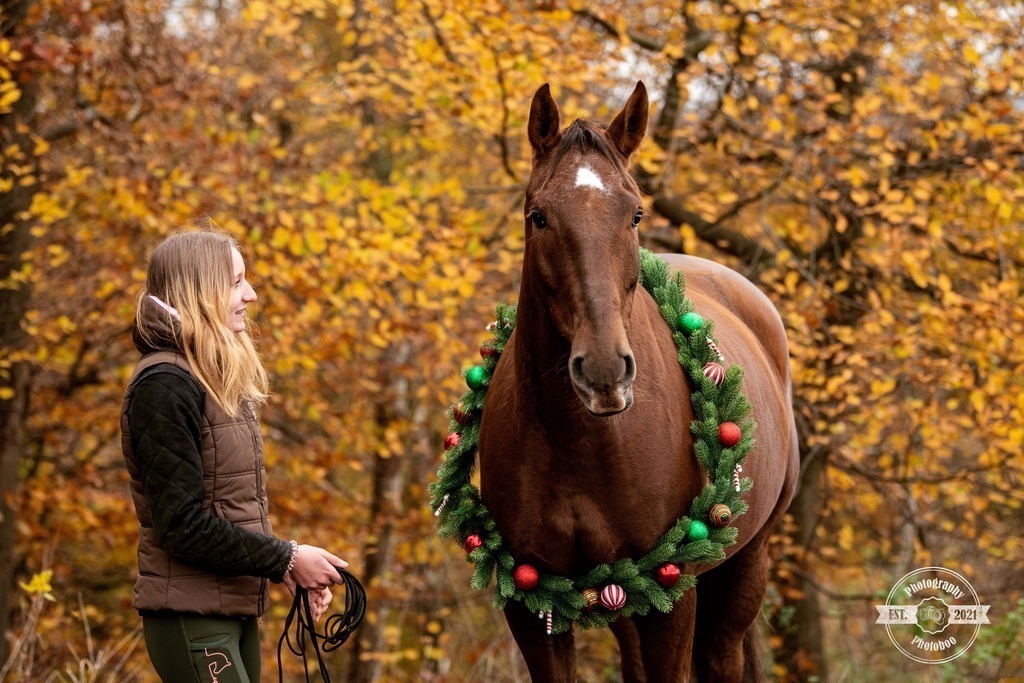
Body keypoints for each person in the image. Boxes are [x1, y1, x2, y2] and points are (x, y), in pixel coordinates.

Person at [120, 226, 346, 682]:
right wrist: (286, 557)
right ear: (199, 289)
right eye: (236, 281)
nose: (251, 293)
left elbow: (227, 507)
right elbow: (181, 526)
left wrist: (282, 567)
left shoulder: (207, 376)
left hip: (233, 609)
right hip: (191, 616)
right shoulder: (164, 384)